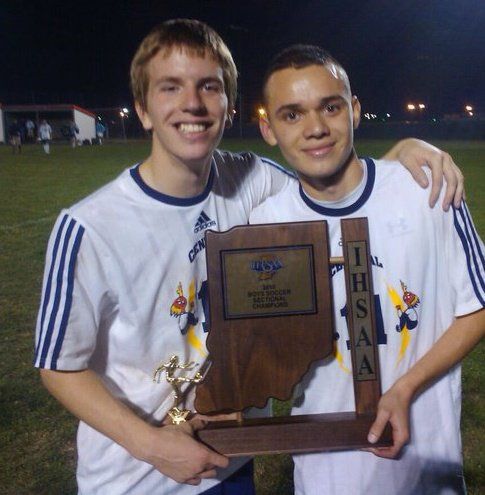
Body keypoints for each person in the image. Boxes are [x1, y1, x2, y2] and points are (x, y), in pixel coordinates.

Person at [34, 20, 465, 495]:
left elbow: (331, 173)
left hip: (231, 464)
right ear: (142, 109)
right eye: (170, 87)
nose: (193, 104)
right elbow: (57, 365)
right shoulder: (89, 225)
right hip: (139, 477)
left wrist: (400, 157)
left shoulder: (253, 181)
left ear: (229, 106)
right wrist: (151, 445)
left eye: (209, 87)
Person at [250, 44, 485, 495]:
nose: (316, 128)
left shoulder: (426, 190)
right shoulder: (264, 227)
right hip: (326, 474)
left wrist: (405, 388)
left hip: (425, 464)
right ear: (268, 129)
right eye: (292, 115)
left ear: (354, 110)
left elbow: (477, 305)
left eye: (330, 107)